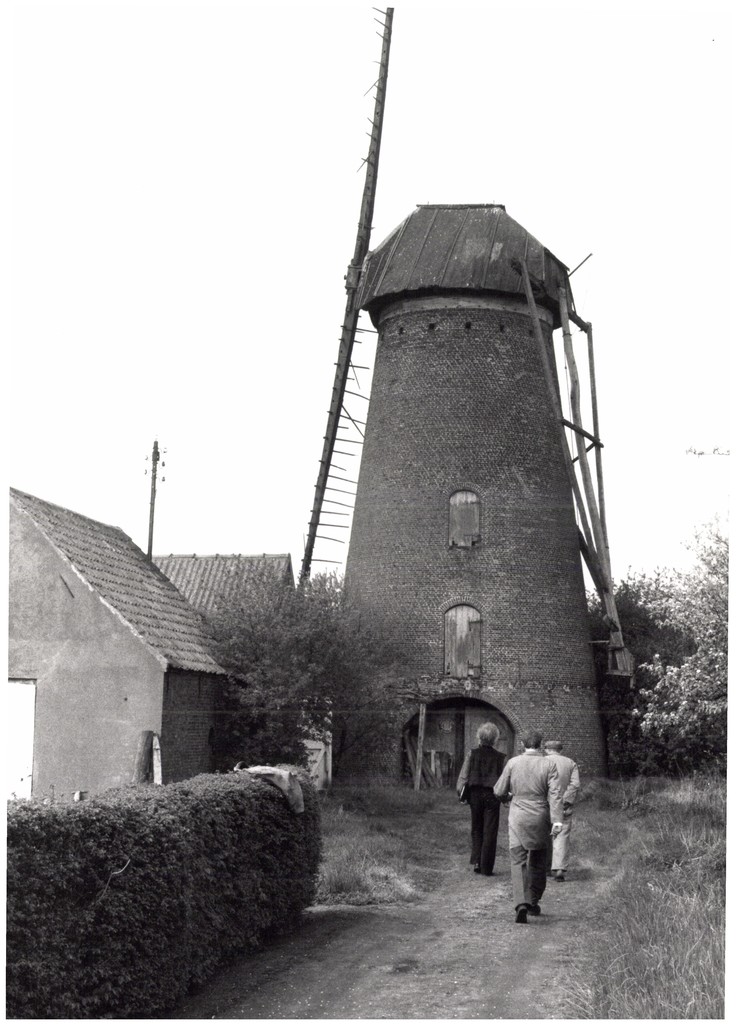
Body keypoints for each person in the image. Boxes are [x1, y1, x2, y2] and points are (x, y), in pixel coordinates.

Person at [493, 729, 564, 923]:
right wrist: (557, 820)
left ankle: (521, 904)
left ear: (522, 745)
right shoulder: (549, 765)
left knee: (518, 860)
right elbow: (555, 794)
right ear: (540, 744)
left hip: (518, 815)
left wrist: (507, 797)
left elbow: (499, 790)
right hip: (540, 815)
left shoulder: (513, 763)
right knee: (539, 859)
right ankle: (533, 901)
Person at [456, 722, 506, 876]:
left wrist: (461, 794)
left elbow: (463, 776)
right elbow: (504, 780)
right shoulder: (501, 757)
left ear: (479, 737)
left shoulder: (472, 754)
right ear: (495, 739)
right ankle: (487, 867)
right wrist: (505, 797)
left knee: (477, 828)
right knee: (490, 830)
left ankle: (477, 861)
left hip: (475, 794)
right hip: (492, 795)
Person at [543, 739, 580, 881]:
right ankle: (558, 868)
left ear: (546, 749)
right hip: (564, 805)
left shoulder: (542, 762)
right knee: (562, 834)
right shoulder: (570, 763)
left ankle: (545, 867)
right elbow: (575, 784)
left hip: (544, 803)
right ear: (561, 750)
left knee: (544, 834)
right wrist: (565, 800)